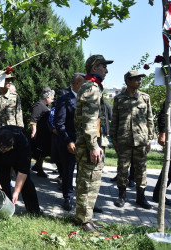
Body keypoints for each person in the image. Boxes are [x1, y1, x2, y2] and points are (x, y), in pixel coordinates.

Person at [74, 54, 113, 233]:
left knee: (92, 181)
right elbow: (90, 120)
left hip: (93, 142)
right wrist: (93, 145)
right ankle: (84, 220)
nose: (106, 70)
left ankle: (86, 217)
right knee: (87, 182)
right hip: (91, 143)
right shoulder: (91, 88)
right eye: (104, 66)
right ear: (94, 67)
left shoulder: (92, 86)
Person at [110, 70, 154, 209]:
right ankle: (121, 196)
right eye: (136, 79)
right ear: (128, 81)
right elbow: (114, 120)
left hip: (141, 140)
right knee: (122, 169)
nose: (139, 81)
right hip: (124, 140)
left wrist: (149, 139)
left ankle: (141, 197)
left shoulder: (145, 98)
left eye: (140, 79)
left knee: (141, 169)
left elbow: (150, 118)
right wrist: (114, 140)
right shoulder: (119, 99)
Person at [0, 125, 41, 214]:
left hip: (18, 157)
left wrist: (16, 192)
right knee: (2, 181)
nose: (4, 153)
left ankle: (34, 211)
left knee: (26, 183)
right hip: (0, 160)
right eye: (2, 151)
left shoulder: (23, 145)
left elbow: (23, 171)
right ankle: (4, 210)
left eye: (6, 150)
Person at [54, 73, 85, 211]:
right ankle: (67, 197)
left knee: (84, 171)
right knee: (68, 170)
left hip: (85, 142)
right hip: (69, 142)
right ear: (77, 83)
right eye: (84, 83)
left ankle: (84, 199)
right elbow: (59, 123)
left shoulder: (88, 99)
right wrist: (68, 141)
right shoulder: (64, 99)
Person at [30, 87, 55, 178]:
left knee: (44, 151)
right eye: (51, 98)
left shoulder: (45, 105)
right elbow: (33, 119)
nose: (52, 100)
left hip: (45, 132)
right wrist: (34, 131)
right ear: (46, 97)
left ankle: (37, 166)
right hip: (40, 133)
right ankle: (39, 169)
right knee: (41, 151)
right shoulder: (39, 105)